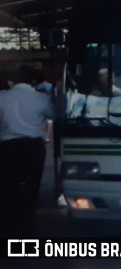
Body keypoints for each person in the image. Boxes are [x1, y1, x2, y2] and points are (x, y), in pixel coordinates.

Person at [0, 74, 55, 236]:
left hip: (7, 147)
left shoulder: (2, 98)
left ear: (13, 81)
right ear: (32, 81)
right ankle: (27, 220)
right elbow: (54, 115)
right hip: (33, 147)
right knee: (32, 183)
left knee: (8, 184)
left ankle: (9, 219)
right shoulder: (41, 99)